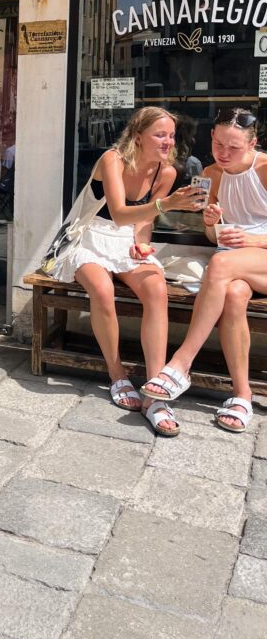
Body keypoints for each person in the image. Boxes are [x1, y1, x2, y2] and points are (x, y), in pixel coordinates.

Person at [50, 106, 205, 435]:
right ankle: (117, 374)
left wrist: (143, 244)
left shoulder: (166, 173)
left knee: (156, 289)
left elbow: (142, 222)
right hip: (90, 235)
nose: (167, 142)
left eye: (171, 135)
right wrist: (168, 205)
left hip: (125, 239)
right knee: (103, 291)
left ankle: (154, 390)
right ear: (138, 137)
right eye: (159, 135)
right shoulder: (113, 160)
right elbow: (119, 213)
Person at [142, 107, 264, 433]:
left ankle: (181, 363)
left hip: (257, 259)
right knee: (235, 296)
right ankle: (242, 395)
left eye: (234, 147)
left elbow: (237, 243)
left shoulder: (265, 168)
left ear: (253, 143)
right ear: (211, 136)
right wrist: (211, 224)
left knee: (221, 263)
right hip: (237, 267)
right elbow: (215, 237)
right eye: (219, 143)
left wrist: (252, 238)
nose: (224, 153)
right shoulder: (212, 173)